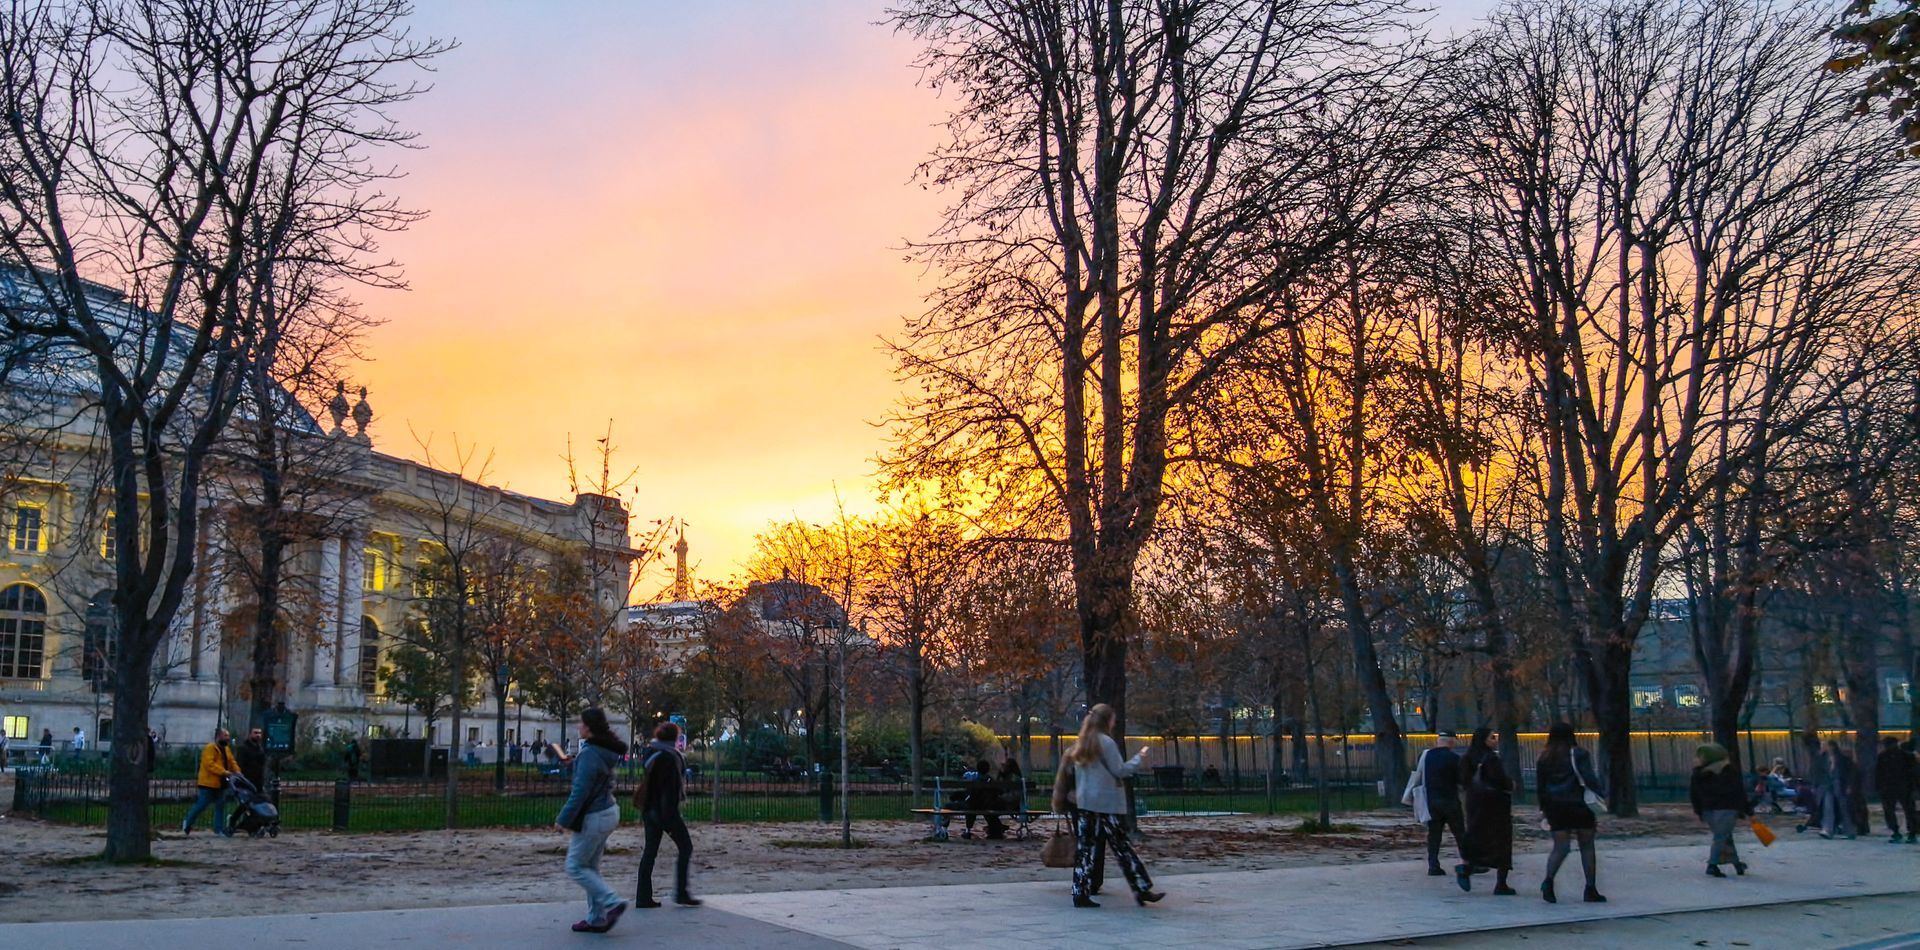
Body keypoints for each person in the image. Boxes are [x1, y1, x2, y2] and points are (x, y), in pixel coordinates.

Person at [1067, 703, 1163, 908]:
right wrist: (1139, 758)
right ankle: (1141, 887)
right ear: (1107, 721)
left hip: (1086, 802)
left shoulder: (1082, 743)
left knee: (1085, 849)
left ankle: (1079, 891)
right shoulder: (1106, 743)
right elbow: (1120, 771)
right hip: (1105, 802)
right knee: (1122, 846)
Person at [554, 707, 629, 934]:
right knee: (590, 867)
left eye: (581, 723)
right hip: (608, 810)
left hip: (594, 815)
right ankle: (596, 918)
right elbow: (591, 777)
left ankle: (612, 901)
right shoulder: (602, 750)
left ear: (590, 727)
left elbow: (580, 792)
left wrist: (563, 819)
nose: (579, 726)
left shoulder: (590, 753)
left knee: (575, 866)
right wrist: (575, 764)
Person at [1535, 722, 1606, 904]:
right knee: (1587, 846)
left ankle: (1548, 881)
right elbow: (1589, 777)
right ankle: (1590, 889)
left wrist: (1544, 810)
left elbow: (1541, 787)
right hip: (1579, 805)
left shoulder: (1544, 758)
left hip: (1555, 807)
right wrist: (1601, 795)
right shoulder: (1579, 754)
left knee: (1560, 847)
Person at [635, 721, 699, 908]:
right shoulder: (671, 757)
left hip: (649, 808)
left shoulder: (651, 754)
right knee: (685, 847)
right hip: (665, 810)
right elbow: (669, 789)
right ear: (676, 737)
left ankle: (643, 896)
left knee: (650, 852)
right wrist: (670, 816)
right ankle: (681, 892)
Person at [1455, 727, 1516, 895]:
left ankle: (1467, 867)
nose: (1495, 740)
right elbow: (1499, 779)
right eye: (1492, 737)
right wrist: (1510, 784)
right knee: (1502, 841)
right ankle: (1501, 883)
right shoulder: (1491, 758)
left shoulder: (1467, 758)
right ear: (1484, 740)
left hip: (1474, 803)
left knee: (1477, 835)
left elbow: (1462, 779)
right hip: (1495, 805)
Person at [1403, 731, 1466, 876]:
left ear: (1439, 741)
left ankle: (1433, 865)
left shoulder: (1426, 756)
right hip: (1450, 801)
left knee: (1434, 835)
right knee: (1459, 833)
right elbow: (1461, 780)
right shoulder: (1454, 758)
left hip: (1431, 801)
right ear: (1451, 742)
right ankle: (1467, 861)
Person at [1689, 743, 1751, 877]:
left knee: (1724, 836)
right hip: (1727, 808)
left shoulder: (1698, 773)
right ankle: (1712, 865)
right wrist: (1747, 810)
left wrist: (1698, 811)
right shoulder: (1728, 770)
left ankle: (1737, 863)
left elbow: (1694, 794)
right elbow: (1738, 791)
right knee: (1721, 837)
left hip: (1708, 810)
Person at [181, 728, 239, 837]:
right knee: (202, 804)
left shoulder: (226, 749)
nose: (228, 738)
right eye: (225, 735)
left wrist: (238, 772)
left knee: (220, 806)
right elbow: (209, 764)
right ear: (219, 736)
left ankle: (218, 829)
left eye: (228, 736)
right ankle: (187, 823)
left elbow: (232, 761)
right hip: (208, 783)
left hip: (221, 783)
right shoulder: (210, 748)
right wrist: (224, 772)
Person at [1874, 736, 1916, 844]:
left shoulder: (1884, 757)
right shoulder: (1906, 756)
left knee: (1893, 810)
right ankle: (1909, 832)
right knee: (1907, 810)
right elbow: (1913, 773)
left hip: (1893, 787)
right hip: (1901, 787)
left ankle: (1898, 831)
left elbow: (1879, 773)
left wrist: (1879, 787)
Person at [1819, 740, 1858, 840]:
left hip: (1839, 783)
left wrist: (1849, 785)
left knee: (1843, 807)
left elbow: (1849, 773)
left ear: (1831, 747)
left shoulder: (1843, 759)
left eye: (1825, 746)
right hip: (1828, 784)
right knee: (1828, 807)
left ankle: (1849, 830)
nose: (1823, 748)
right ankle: (1828, 830)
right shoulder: (1823, 759)